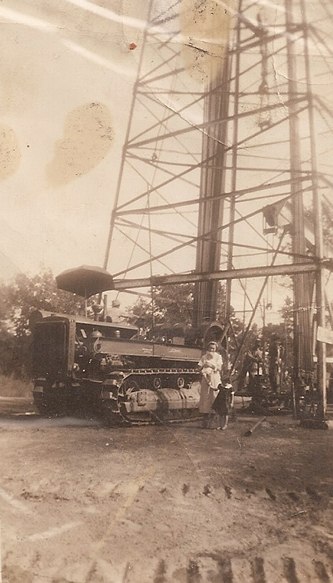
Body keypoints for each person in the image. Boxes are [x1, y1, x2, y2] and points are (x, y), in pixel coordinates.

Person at [198, 341, 223, 428]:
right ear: (208, 348)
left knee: (214, 397)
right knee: (205, 398)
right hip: (205, 379)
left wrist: (211, 365)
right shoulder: (204, 357)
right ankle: (205, 421)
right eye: (210, 348)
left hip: (214, 378)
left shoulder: (218, 357)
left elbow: (219, 368)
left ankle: (213, 421)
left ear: (216, 349)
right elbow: (199, 367)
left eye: (213, 348)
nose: (211, 350)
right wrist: (203, 366)